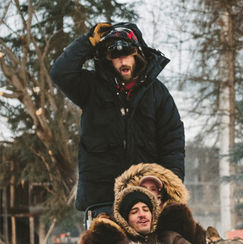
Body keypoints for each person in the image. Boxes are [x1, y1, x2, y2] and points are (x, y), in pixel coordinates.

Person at [50, 22, 185, 214]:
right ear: (107, 59)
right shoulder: (91, 88)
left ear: (137, 54)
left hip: (145, 197)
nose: (123, 62)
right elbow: (60, 73)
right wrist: (88, 42)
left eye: (127, 55)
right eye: (116, 57)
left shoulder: (158, 94)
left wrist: (170, 189)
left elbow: (173, 143)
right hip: (101, 199)